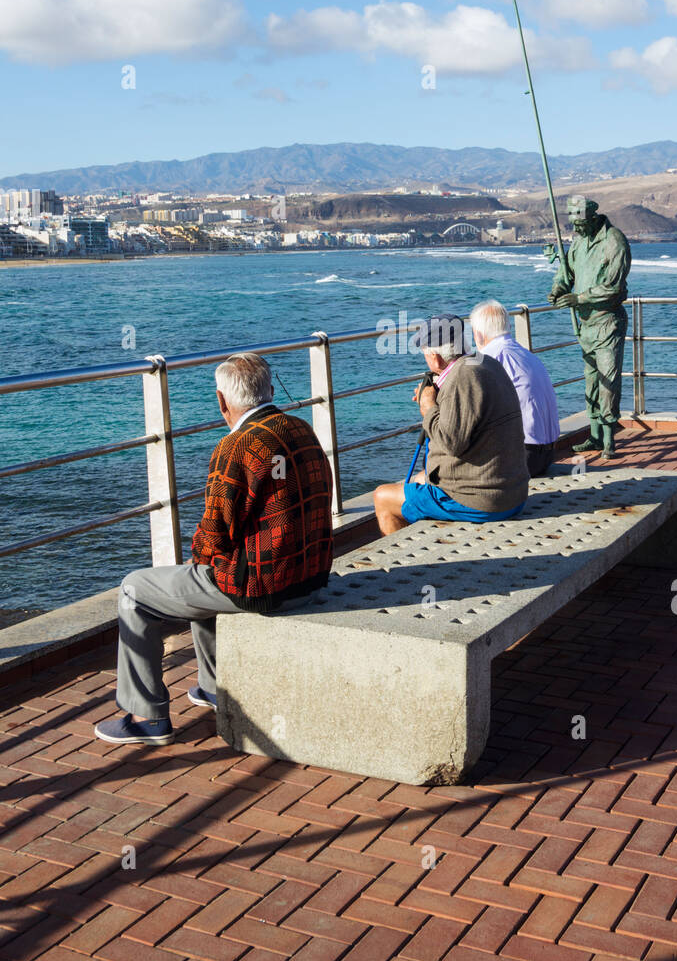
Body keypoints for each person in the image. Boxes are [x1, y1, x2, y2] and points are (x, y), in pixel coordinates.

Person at [94, 352, 333, 747]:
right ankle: (213, 686)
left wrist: (199, 558)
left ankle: (146, 716)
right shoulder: (301, 428)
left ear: (221, 401)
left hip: (267, 589)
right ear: (270, 389)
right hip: (309, 579)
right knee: (206, 577)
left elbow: (214, 533)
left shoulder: (237, 446)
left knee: (136, 590)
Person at [373, 312, 529, 535]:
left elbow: (451, 442)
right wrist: (439, 399)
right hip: (511, 491)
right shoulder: (486, 363)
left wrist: (428, 407)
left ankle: (406, 566)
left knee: (383, 497)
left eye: (425, 355)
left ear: (435, 357)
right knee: (421, 478)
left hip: (485, 502)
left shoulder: (462, 378)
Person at [547, 196, 631, 460]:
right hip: (586, 326)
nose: (576, 229)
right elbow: (567, 273)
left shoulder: (614, 241)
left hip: (608, 323)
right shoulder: (579, 242)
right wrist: (558, 288)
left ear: (594, 217)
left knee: (609, 381)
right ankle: (594, 436)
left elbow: (614, 287)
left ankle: (609, 440)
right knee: (592, 381)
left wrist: (579, 298)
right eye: (573, 224)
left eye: (580, 224)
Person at [470, 299, 560, 477]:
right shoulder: (525, 353)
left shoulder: (489, 358)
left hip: (523, 459)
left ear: (478, 335)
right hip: (548, 454)